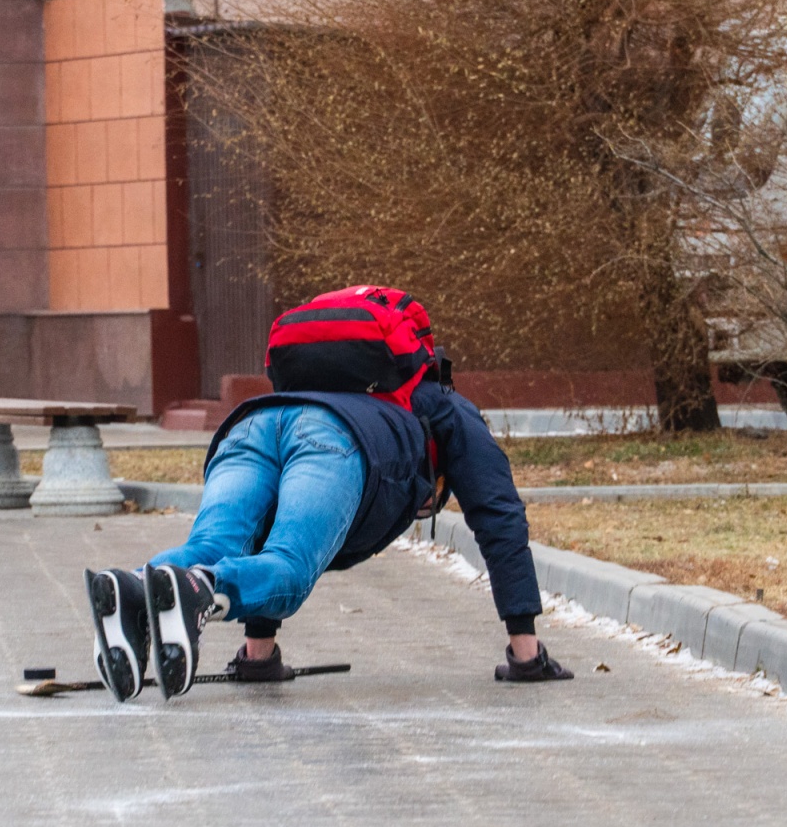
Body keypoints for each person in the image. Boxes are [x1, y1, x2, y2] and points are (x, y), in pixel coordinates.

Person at [84, 288, 573, 701]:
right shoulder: (443, 400)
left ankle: (131, 586)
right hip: (333, 440)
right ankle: (206, 590)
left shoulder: (323, 382)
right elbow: (498, 514)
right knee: (291, 565)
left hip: (252, 424)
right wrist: (525, 653)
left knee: (209, 548)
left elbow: (271, 518)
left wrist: (259, 656)